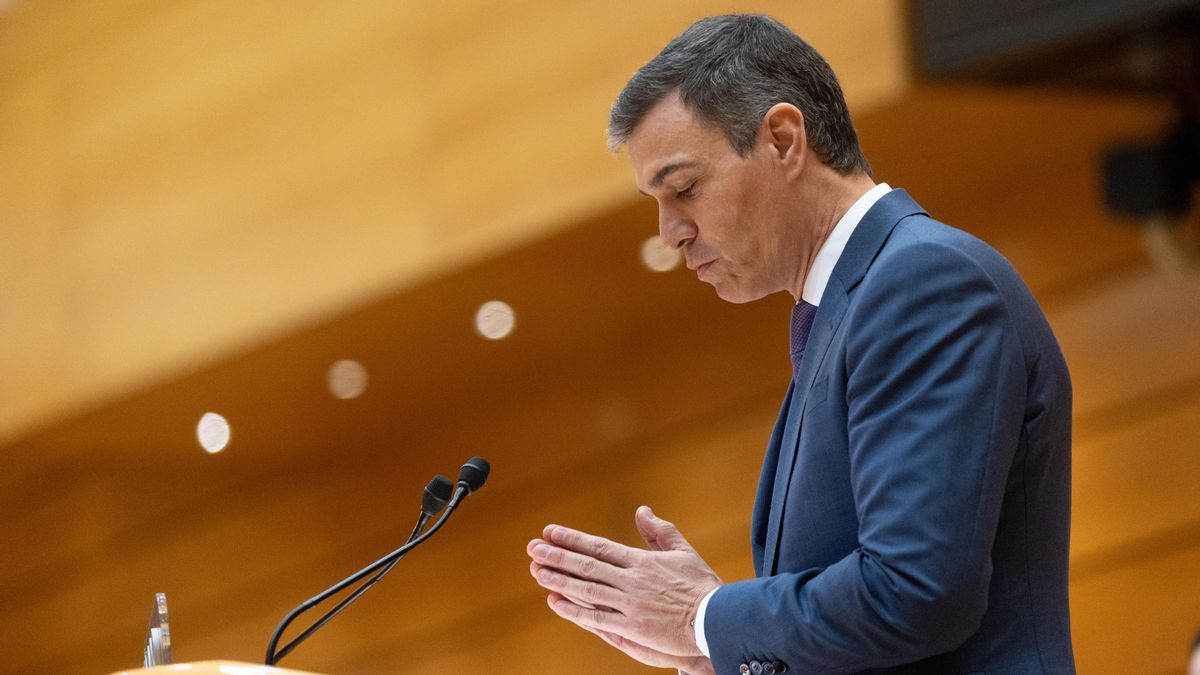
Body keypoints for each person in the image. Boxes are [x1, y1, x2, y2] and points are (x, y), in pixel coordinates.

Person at [526, 14, 1074, 674]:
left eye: (685, 189)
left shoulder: (922, 282)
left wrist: (703, 618)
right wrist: (726, 649)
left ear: (784, 139)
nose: (670, 232)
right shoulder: (848, 309)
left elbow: (917, 593)